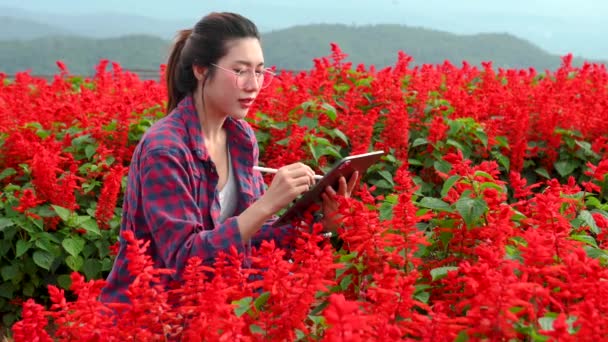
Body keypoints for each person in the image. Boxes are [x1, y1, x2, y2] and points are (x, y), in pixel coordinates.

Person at [100, 12, 359, 304]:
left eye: (260, 71)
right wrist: (266, 205)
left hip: (220, 311)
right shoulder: (165, 150)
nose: (253, 85)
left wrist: (320, 224)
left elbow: (249, 242)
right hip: (153, 318)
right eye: (240, 71)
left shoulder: (240, 138)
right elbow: (185, 262)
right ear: (200, 70)